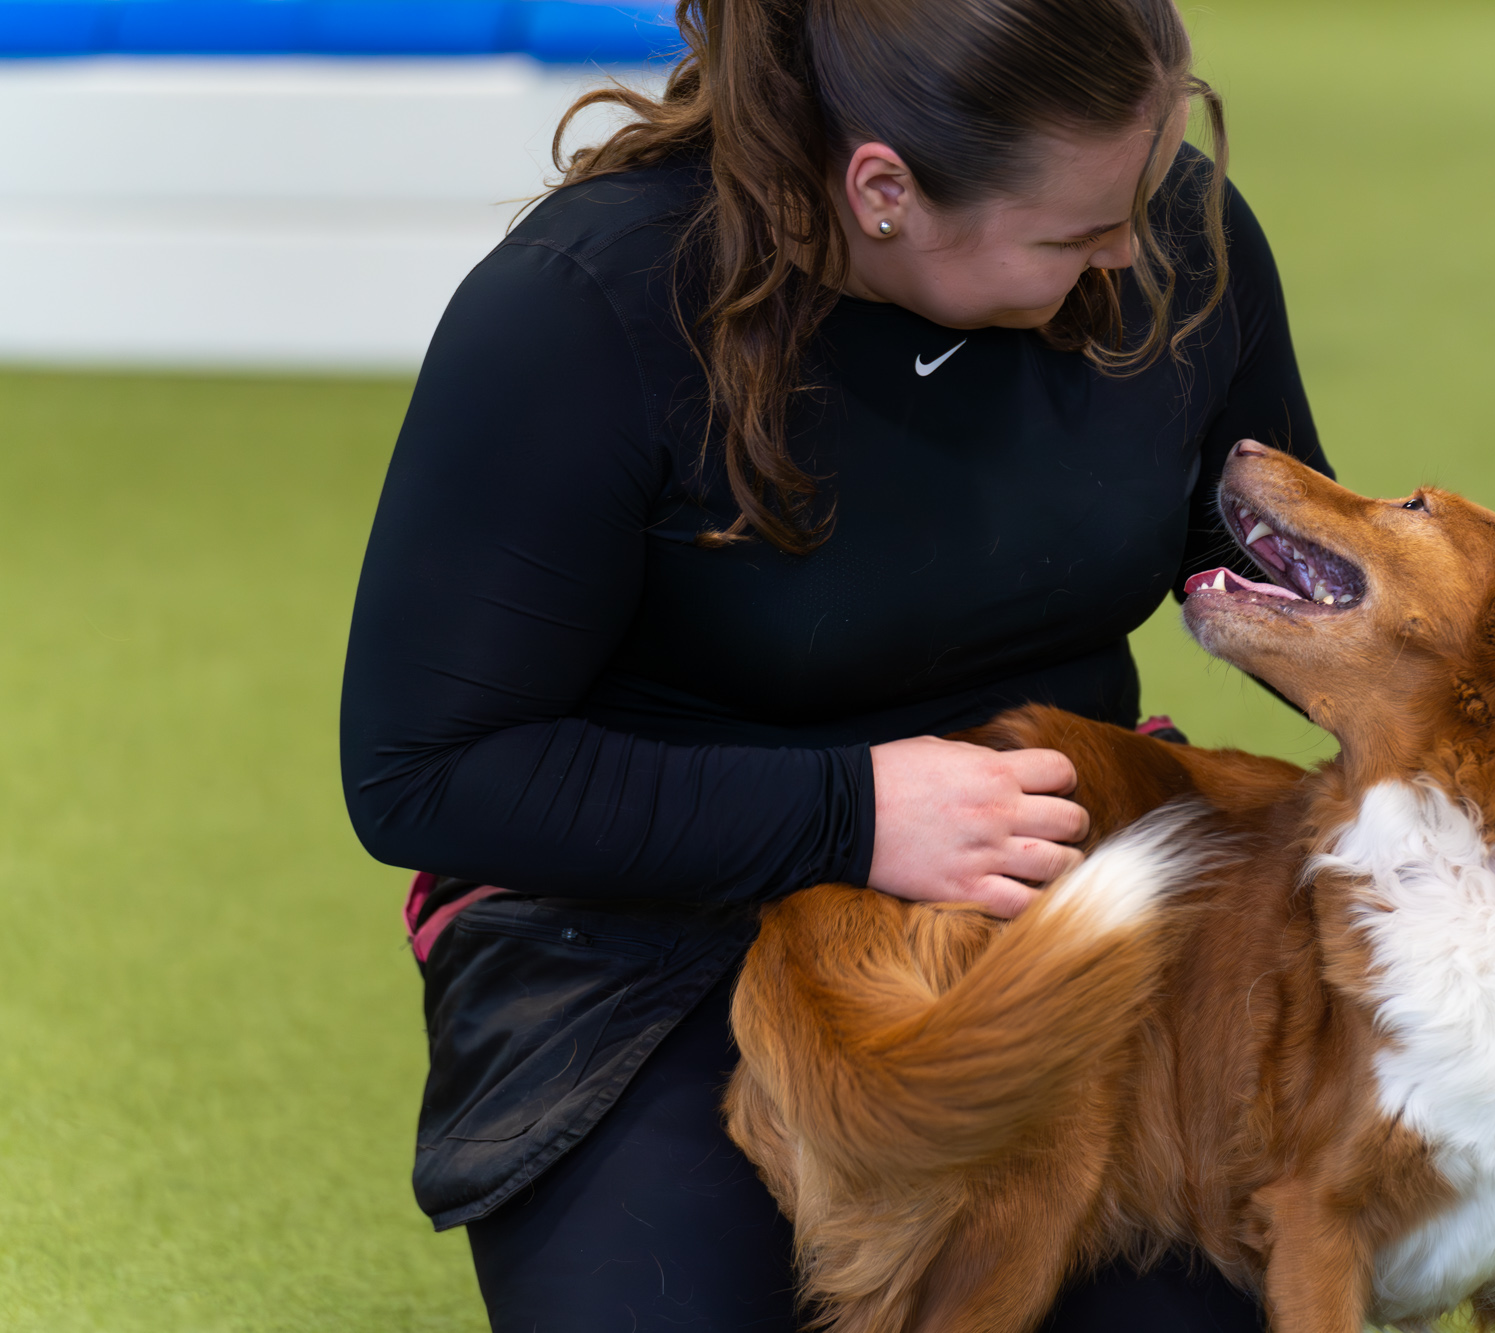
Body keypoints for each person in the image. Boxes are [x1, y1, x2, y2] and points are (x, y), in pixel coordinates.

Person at [340, 0, 1330, 1327]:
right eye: (1073, 236)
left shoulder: (1169, 235)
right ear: (882, 191)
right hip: (649, 924)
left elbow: (1275, 572)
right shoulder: (585, 307)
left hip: (1049, 879)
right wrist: (852, 812)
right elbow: (423, 773)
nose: (1132, 253)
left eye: (1145, 197)